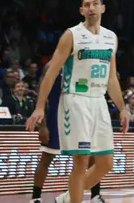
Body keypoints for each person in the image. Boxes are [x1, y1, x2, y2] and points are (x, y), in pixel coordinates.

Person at [26, 0, 128, 203]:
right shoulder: (72, 35)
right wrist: (39, 107)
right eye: (86, 5)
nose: (91, 8)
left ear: (103, 8)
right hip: (76, 100)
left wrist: (123, 108)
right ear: (81, 10)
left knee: (105, 163)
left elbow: (112, 80)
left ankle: (67, 198)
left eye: (95, 4)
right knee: (81, 160)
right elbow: (52, 72)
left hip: (99, 100)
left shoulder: (111, 38)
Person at [30, 70, 106, 203]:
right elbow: (42, 94)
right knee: (46, 158)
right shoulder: (52, 65)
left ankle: (95, 196)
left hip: (79, 116)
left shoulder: (82, 63)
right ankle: (36, 198)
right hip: (56, 116)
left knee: (91, 156)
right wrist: (42, 125)